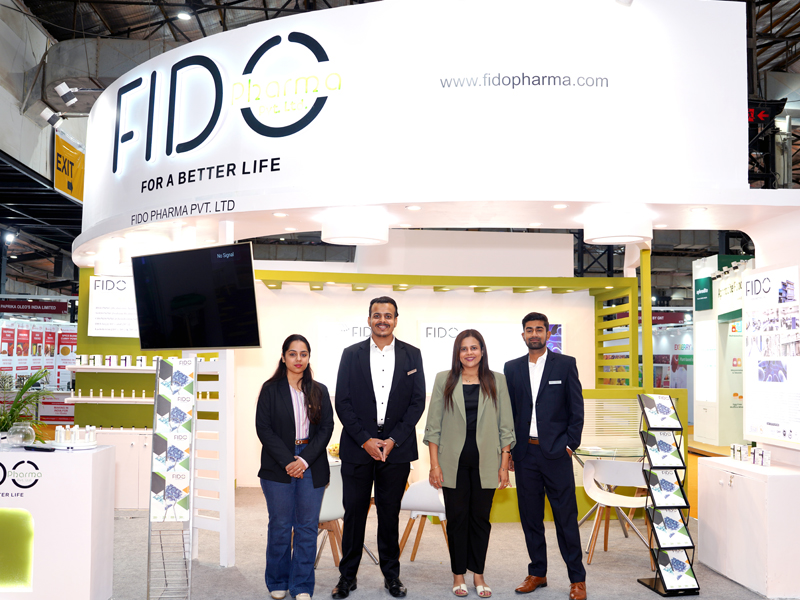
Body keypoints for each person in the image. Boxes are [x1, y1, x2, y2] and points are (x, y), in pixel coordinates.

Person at [332, 296, 426, 599]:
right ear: (369, 319)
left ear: (396, 320)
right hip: (358, 447)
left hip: (396, 449)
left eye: (388, 315)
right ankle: (347, 577)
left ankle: (391, 576)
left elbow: (417, 402)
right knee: (354, 514)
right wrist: (365, 439)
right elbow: (342, 401)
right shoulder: (351, 354)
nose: (382, 320)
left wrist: (393, 439)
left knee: (389, 515)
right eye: (377, 315)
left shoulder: (413, 355)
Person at [424, 329, 515, 598]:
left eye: (474, 348)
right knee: (456, 520)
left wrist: (504, 465)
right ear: (458, 353)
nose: (469, 353)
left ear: (482, 351)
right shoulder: (444, 379)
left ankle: (478, 574)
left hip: (487, 463)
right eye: (464, 349)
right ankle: (458, 575)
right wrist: (434, 465)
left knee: (480, 520)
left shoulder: (497, 380)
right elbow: (433, 427)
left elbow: (506, 426)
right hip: (452, 464)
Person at [503, 312, 586, 600]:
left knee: (566, 518)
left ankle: (577, 579)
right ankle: (537, 572)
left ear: (548, 334)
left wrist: (570, 445)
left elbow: (576, 409)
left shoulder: (565, 364)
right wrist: (509, 450)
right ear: (523, 335)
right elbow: (510, 413)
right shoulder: (512, 368)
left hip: (556, 455)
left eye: (539, 329)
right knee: (531, 518)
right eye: (529, 330)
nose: (534, 334)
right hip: (525, 454)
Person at [256, 334, 334, 600]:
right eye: (292, 353)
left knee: (307, 527)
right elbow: (263, 428)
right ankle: (278, 580)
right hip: (279, 461)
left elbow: (326, 428)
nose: (298, 359)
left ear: (309, 357)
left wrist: (303, 460)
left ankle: (301, 585)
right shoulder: (270, 389)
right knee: (280, 524)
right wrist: (289, 461)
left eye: (303, 354)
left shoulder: (319, 390)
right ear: (283, 357)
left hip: (311, 460)